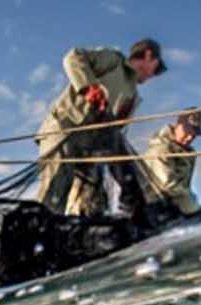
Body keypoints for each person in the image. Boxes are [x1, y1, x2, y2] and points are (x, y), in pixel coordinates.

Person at [35, 38, 166, 216]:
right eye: (156, 68)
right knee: (54, 195)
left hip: (92, 151)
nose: (153, 75)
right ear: (149, 55)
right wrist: (89, 88)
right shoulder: (114, 61)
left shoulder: (133, 97)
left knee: (92, 206)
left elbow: (116, 134)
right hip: (65, 131)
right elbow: (73, 57)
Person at [140, 108, 201, 216]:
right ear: (178, 126)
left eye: (194, 135)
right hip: (156, 212)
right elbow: (169, 186)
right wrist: (193, 207)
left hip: (176, 209)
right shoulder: (160, 150)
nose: (190, 138)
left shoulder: (184, 153)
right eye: (187, 131)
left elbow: (183, 187)